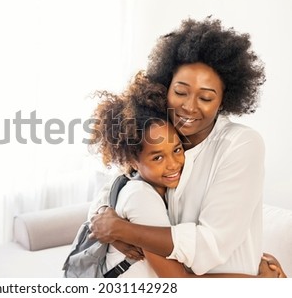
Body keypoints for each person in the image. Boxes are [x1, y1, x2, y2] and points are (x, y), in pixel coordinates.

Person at [89, 17, 287, 277]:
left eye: (205, 97)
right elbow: (122, 182)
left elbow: (208, 245)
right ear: (166, 86)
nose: (190, 107)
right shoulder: (167, 133)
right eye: (181, 92)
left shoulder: (241, 144)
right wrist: (102, 216)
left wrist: (124, 231)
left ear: (224, 100)